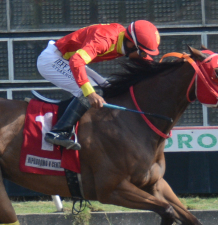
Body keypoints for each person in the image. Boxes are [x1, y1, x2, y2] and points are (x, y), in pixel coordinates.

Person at [36, 20, 161, 150]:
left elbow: (146, 62)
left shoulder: (122, 37)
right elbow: (76, 60)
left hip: (65, 59)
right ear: (131, 44)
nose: (143, 57)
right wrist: (90, 94)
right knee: (89, 91)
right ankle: (58, 132)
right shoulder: (104, 40)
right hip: (52, 61)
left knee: (108, 88)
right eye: (142, 53)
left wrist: (163, 68)